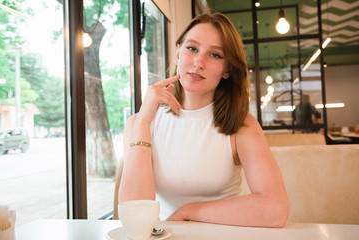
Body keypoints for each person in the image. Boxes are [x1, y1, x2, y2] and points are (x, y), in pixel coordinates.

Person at [118, 12, 289, 228]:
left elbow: (274, 209)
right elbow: (133, 217)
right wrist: (143, 122)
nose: (199, 62)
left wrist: (190, 211)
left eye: (215, 55)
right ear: (178, 52)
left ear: (227, 69)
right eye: (192, 48)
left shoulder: (241, 124)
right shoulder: (139, 124)